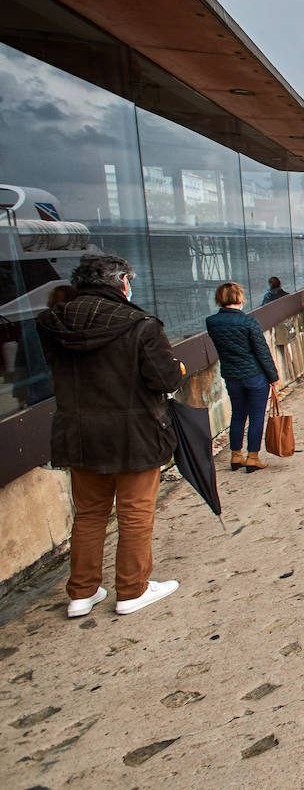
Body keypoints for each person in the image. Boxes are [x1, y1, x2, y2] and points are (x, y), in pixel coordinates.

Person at [36, 253, 183, 617]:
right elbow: (165, 379)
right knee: (134, 512)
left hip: (79, 434)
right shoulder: (141, 324)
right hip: (133, 433)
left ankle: (82, 593)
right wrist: (176, 368)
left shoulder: (53, 323)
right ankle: (133, 589)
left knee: (89, 513)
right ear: (122, 283)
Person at [205, 282, 280, 472]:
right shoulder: (249, 322)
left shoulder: (212, 322)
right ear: (239, 297)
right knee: (256, 417)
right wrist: (273, 376)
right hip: (254, 375)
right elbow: (261, 352)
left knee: (238, 415)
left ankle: (236, 455)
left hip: (232, 375)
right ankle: (252, 457)